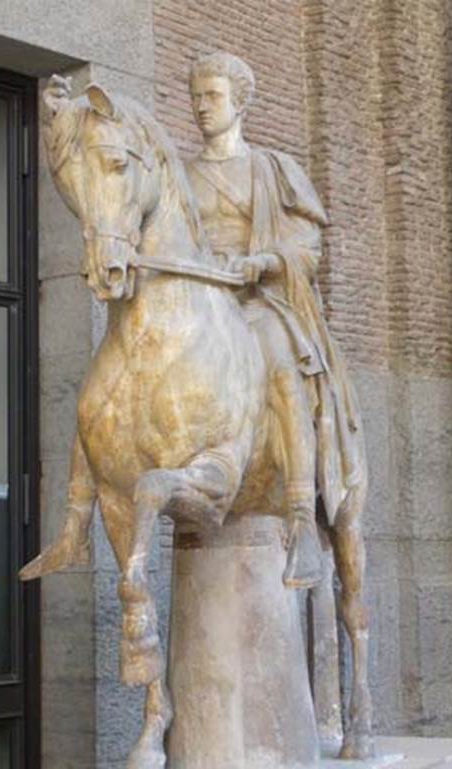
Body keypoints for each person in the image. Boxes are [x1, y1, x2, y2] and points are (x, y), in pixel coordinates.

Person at [186, 51, 366, 588]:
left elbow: (307, 247)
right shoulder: (181, 175)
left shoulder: (270, 169)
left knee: (279, 363)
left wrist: (261, 262)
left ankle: (298, 515)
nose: (200, 107)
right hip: (203, 304)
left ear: (239, 102)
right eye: (195, 97)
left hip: (258, 302)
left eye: (211, 96)